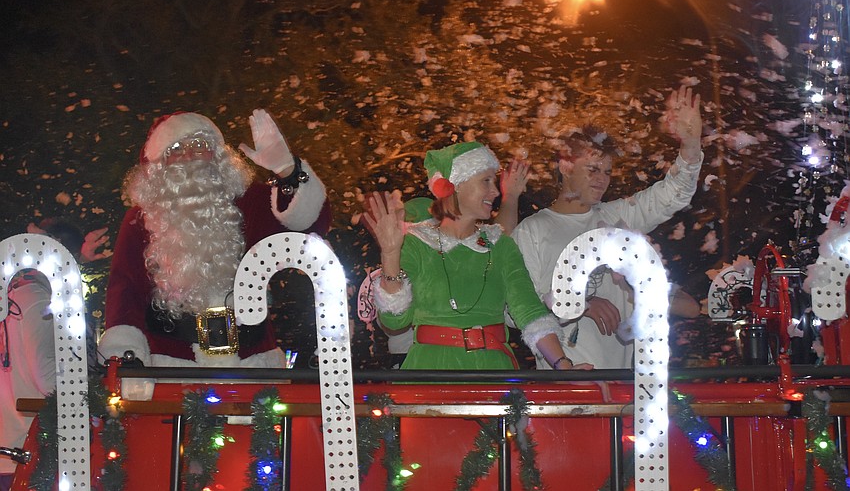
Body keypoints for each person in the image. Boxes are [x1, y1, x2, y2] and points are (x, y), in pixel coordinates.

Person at [98, 110, 330, 372]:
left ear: (218, 154)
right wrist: (128, 357)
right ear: (160, 162)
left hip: (252, 363)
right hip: (172, 367)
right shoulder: (140, 219)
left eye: (199, 145)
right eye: (175, 148)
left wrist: (287, 170)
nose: (188, 155)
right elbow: (125, 290)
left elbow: (311, 227)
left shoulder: (250, 202)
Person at [512, 85, 703, 369]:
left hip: (627, 384)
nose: (602, 179)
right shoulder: (533, 231)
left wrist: (690, 146)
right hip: (568, 384)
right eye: (592, 169)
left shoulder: (618, 217)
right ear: (565, 166)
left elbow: (672, 194)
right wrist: (581, 305)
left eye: (607, 172)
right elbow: (514, 311)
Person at [363, 141, 588, 371]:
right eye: (486, 181)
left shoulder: (500, 246)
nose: (495, 191)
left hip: (493, 371)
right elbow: (394, 320)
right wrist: (390, 254)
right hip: (431, 372)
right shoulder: (417, 244)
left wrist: (563, 365)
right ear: (457, 185)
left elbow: (530, 312)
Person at [0, 219, 109, 491]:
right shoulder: (38, 300)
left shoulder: (15, 294)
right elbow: (46, 376)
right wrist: (94, 398)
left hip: (13, 444)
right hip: (31, 447)